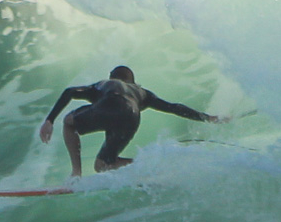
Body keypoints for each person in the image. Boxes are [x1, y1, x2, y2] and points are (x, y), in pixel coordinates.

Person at [38, 65, 223, 176]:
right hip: (132, 116)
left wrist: (49, 120)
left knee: (69, 122)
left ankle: (76, 174)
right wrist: (207, 118)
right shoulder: (142, 93)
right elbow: (174, 107)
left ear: (112, 76)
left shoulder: (105, 84)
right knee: (103, 166)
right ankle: (150, 164)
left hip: (110, 104)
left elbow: (70, 92)